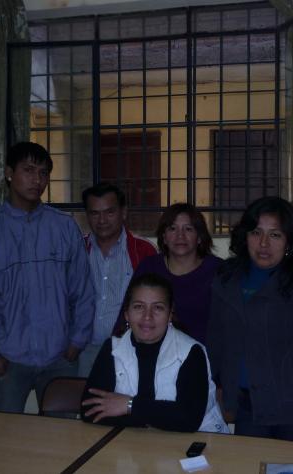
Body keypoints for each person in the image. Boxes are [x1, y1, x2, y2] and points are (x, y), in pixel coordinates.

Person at [0, 141, 95, 413]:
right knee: (2, 436)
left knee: (63, 436)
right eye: (28, 170)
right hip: (6, 360)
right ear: (9, 173)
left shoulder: (64, 227)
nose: (37, 179)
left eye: (43, 173)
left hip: (59, 358)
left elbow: (83, 290)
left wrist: (77, 341)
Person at [206, 196, 293, 446]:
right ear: (245, 236)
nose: (264, 243)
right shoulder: (227, 278)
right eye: (256, 232)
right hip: (248, 409)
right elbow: (215, 340)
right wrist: (215, 387)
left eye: (275, 235)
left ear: (289, 241)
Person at [81, 273, 229, 433]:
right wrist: (158, 416)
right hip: (134, 441)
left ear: (170, 314)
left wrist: (129, 405)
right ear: (126, 314)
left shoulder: (192, 352)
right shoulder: (111, 347)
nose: (147, 317)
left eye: (157, 307)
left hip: (197, 441)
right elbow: (90, 411)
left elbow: (188, 420)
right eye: (139, 306)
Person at [78, 183, 157, 376]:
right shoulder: (77, 249)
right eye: (95, 213)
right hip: (84, 351)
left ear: (123, 212)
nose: (102, 220)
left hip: (131, 350)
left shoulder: (143, 251)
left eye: (109, 212)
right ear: (87, 215)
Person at [120, 203, 222, 343]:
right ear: (164, 237)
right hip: (153, 352)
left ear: (199, 237)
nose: (180, 236)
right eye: (172, 228)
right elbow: (128, 310)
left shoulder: (218, 270)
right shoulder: (149, 266)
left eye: (188, 229)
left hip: (204, 352)